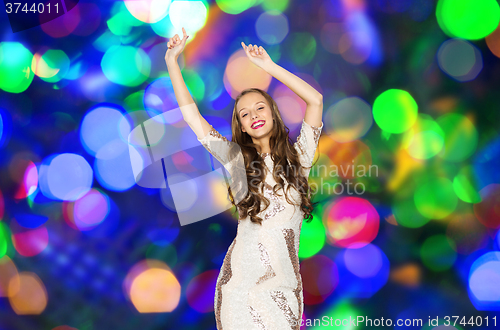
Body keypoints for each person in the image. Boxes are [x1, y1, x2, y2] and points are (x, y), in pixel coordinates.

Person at [166, 27, 324, 330]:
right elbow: (192, 119)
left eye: (260, 107)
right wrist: (173, 61)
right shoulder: (236, 161)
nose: (254, 115)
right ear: (242, 127)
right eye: (244, 114)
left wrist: (269, 67)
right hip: (239, 286)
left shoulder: (299, 157)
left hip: (283, 291)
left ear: (274, 114)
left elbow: (315, 100)